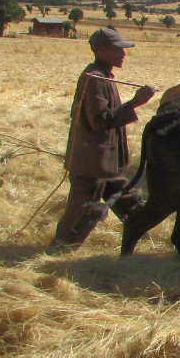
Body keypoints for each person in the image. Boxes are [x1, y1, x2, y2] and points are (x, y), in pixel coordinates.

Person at [49, 27, 155, 250]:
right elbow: (99, 120)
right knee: (83, 210)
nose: (123, 54)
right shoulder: (95, 79)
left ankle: (141, 238)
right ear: (102, 50)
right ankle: (60, 249)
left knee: (129, 203)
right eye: (119, 50)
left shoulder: (103, 76)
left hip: (106, 162)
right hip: (93, 163)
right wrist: (136, 102)